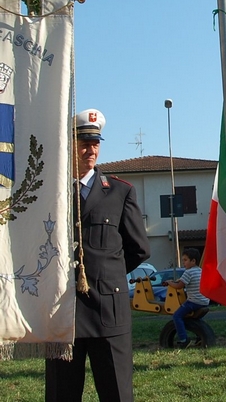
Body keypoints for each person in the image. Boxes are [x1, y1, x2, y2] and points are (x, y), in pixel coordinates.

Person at [45, 109, 151, 402]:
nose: (90, 150)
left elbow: (140, 248)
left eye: (95, 144)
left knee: (116, 393)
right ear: (70, 145)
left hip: (108, 311)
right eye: (84, 143)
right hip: (63, 312)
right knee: (61, 394)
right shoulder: (51, 192)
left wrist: (107, 274)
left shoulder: (119, 192)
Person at [166, 247, 210, 348]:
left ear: (193, 261)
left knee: (177, 316)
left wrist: (169, 283)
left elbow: (179, 286)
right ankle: (199, 336)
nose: (183, 263)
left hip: (194, 301)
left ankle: (184, 340)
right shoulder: (200, 271)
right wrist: (179, 280)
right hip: (204, 301)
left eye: (185, 260)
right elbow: (185, 281)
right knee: (195, 319)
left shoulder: (188, 272)